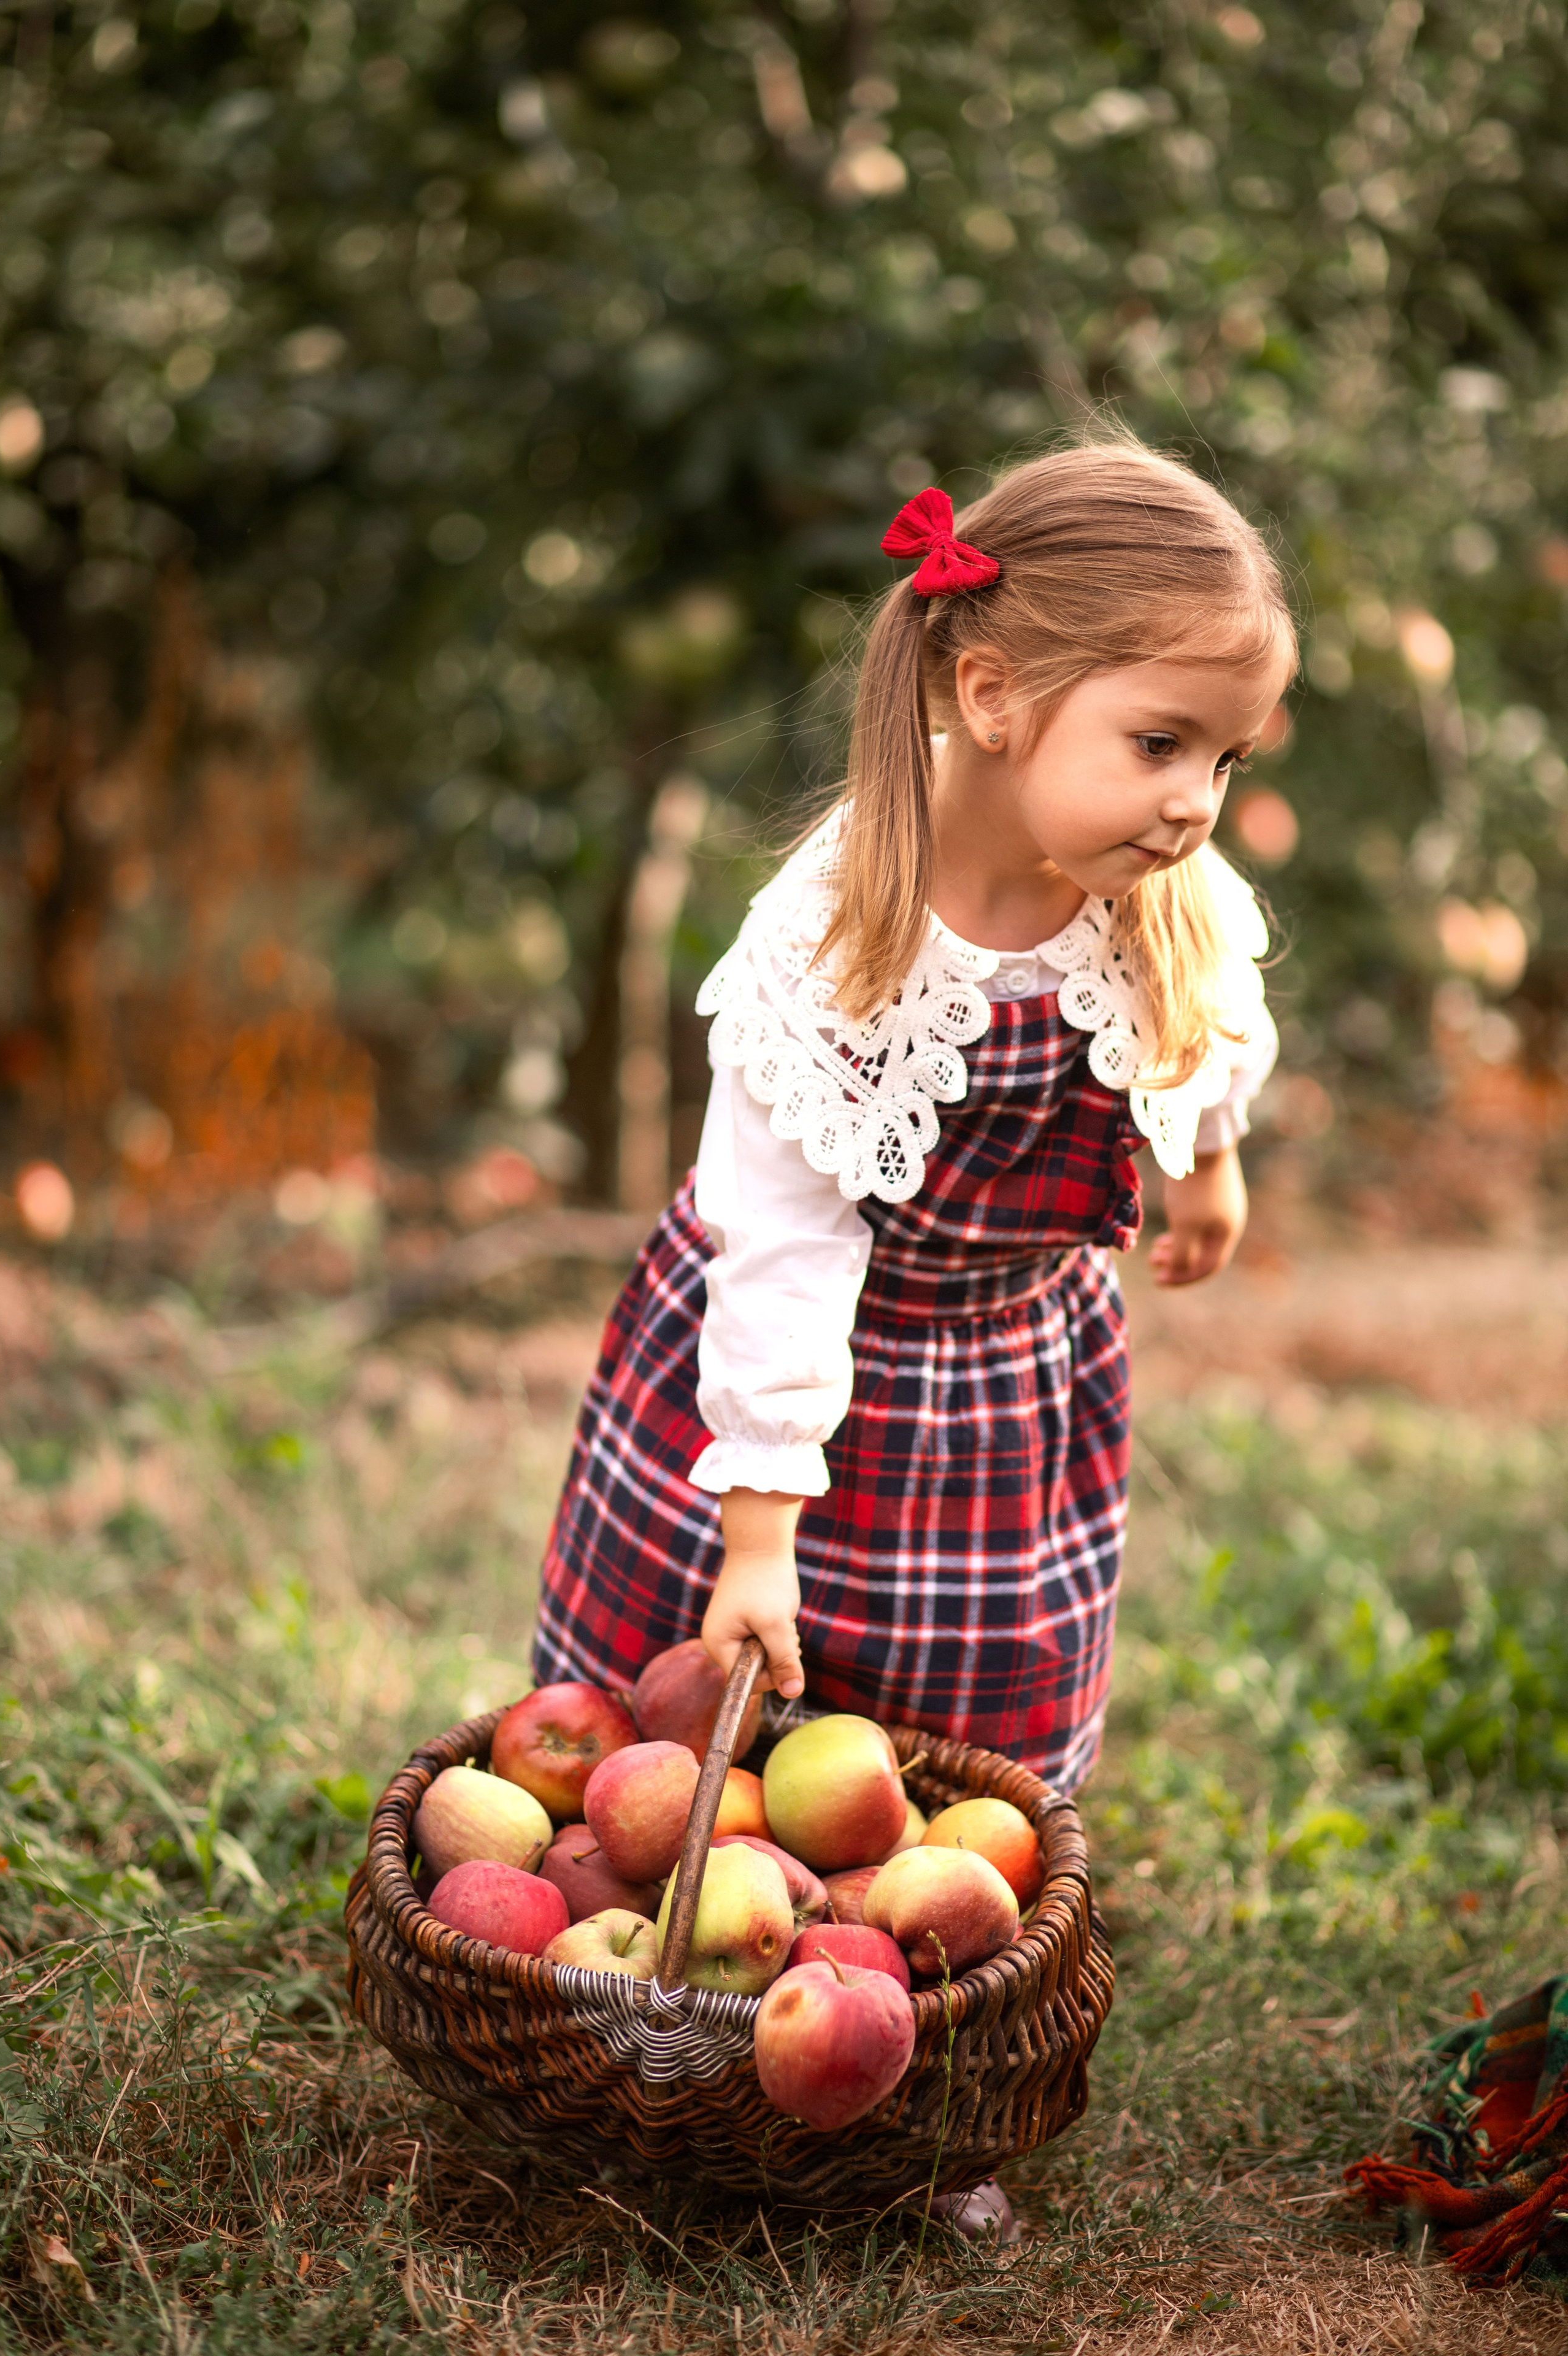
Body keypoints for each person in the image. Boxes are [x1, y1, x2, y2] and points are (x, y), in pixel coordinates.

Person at [532, 442, 1294, 2222]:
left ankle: (920, 2079)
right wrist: (761, 1534)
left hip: (1014, 1386)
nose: (1195, 799)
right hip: (795, 1385)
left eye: (1230, 757)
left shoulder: (1148, 877)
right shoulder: (841, 931)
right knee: (731, 1715)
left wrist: (1209, 1165)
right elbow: (781, 1247)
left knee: (969, 1749)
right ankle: (658, 2035)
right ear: (991, 692)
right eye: (1163, 743)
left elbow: (1201, 1009)